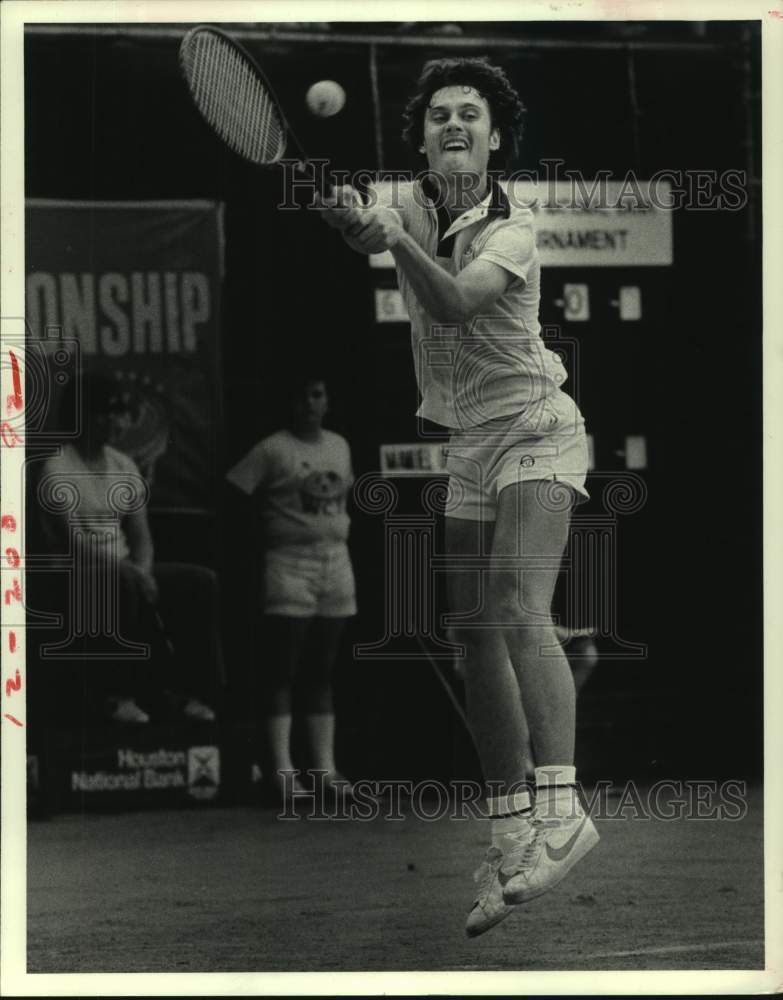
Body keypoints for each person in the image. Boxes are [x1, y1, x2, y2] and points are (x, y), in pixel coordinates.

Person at [317, 57, 599, 936]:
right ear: (423, 135)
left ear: (494, 136)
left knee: (519, 608)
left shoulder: (514, 226)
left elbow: (449, 305)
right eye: (438, 114)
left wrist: (391, 240)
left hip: (538, 425)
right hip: (469, 442)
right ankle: (510, 833)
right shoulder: (403, 197)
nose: (452, 125)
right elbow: (358, 217)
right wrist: (348, 216)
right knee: (470, 633)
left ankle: (562, 813)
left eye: (469, 115)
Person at [38, 371, 219, 725]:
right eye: (106, 412)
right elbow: (72, 542)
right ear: (82, 415)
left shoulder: (124, 466)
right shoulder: (57, 468)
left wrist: (144, 569)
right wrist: (129, 572)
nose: (116, 421)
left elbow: (141, 535)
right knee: (120, 584)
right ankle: (115, 695)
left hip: (127, 568)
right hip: (74, 573)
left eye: (121, 413)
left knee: (201, 582)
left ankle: (192, 692)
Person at [226, 375, 357, 803]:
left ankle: (324, 768)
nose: (309, 403)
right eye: (300, 394)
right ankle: (282, 770)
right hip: (288, 564)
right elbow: (234, 492)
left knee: (322, 668)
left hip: (336, 562)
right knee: (282, 668)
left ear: (327, 401)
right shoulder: (273, 448)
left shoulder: (339, 445)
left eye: (316, 394)